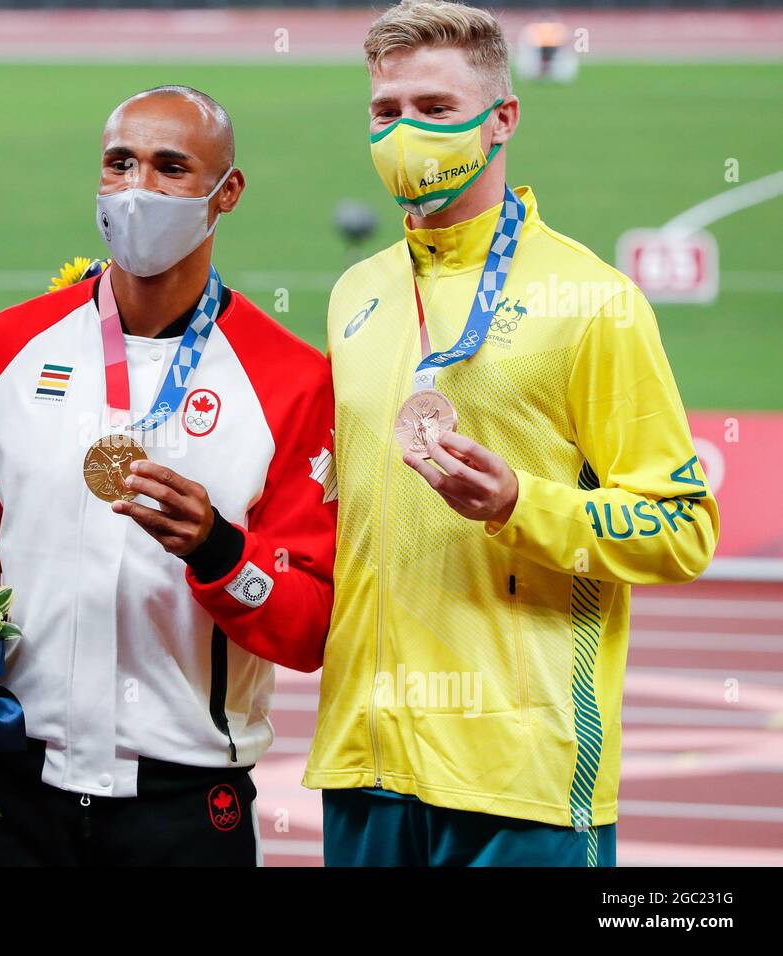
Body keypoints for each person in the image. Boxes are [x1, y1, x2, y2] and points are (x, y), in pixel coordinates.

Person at [306, 0, 720, 867]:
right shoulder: (357, 294)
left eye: (435, 110)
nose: (405, 133)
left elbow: (683, 528)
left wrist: (519, 504)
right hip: (365, 759)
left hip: (520, 780)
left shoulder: (594, 300)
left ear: (503, 120)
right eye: (386, 113)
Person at [0, 86, 337, 866]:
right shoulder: (8, 348)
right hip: (18, 794)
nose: (138, 188)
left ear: (227, 193)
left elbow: (310, 624)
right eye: (120, 164)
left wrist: (219, 553)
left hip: (185, 805)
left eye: (171, 167)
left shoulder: (292, 379)